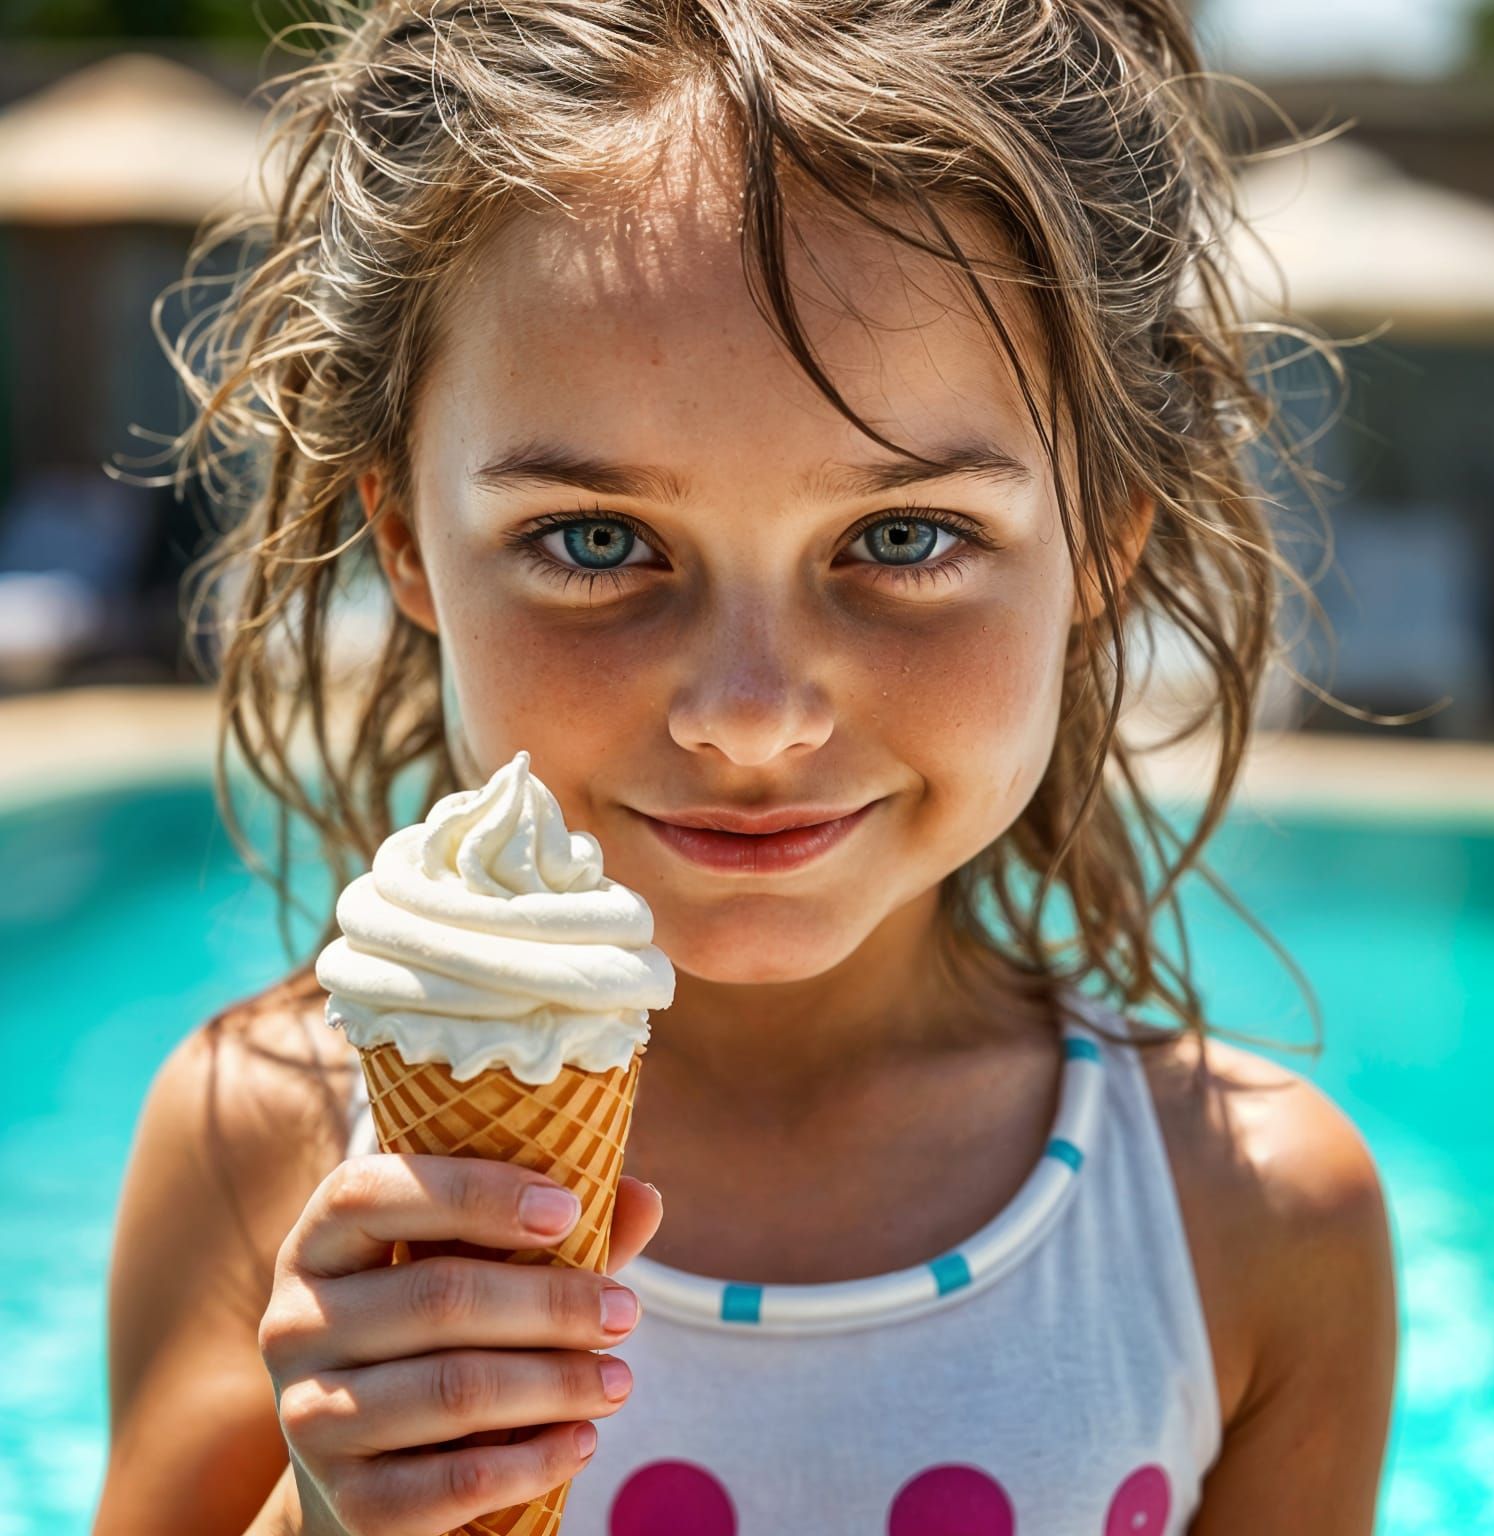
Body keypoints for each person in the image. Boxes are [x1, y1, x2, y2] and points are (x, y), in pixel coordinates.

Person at [95, 3, 1398, 1533]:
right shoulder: (272, 1141)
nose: (752, 712)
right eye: (596, 541)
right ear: (404, 540)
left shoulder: (1248, 1222)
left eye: (903, 538)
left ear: (1105, 541)